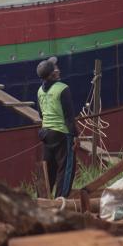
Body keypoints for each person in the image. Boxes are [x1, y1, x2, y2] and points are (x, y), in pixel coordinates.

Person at [36, 56, 77, 198]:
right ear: (52, 74)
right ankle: (61, 200)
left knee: (49, 169)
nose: (58, 69)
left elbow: (41, 114)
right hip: (61, 133)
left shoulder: (40, 91)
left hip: (46, 133)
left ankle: (42, 199)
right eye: (56, 68)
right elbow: (69, 117)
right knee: (66, 169)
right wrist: (74, 136)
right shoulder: (63, 89)